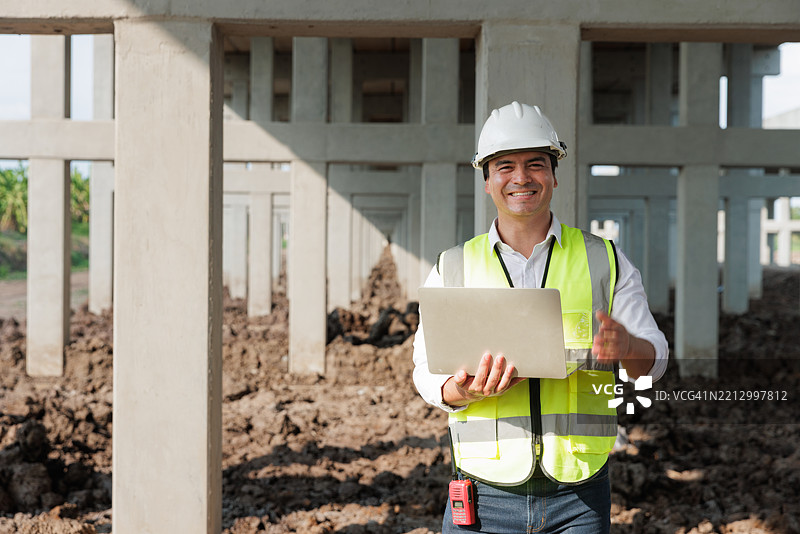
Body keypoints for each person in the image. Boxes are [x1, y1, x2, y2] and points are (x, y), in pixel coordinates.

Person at [412, 101, 668, 533]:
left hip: (580, 496)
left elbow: (654, 363)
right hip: (482, 493)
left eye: (535, 164)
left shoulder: (603, 260)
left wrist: (627, 347)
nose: (521, 177)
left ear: (553, 175)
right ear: (487, 181)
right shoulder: (453, 266)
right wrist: (461, 390)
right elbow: (424, 373)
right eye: (504, 166)